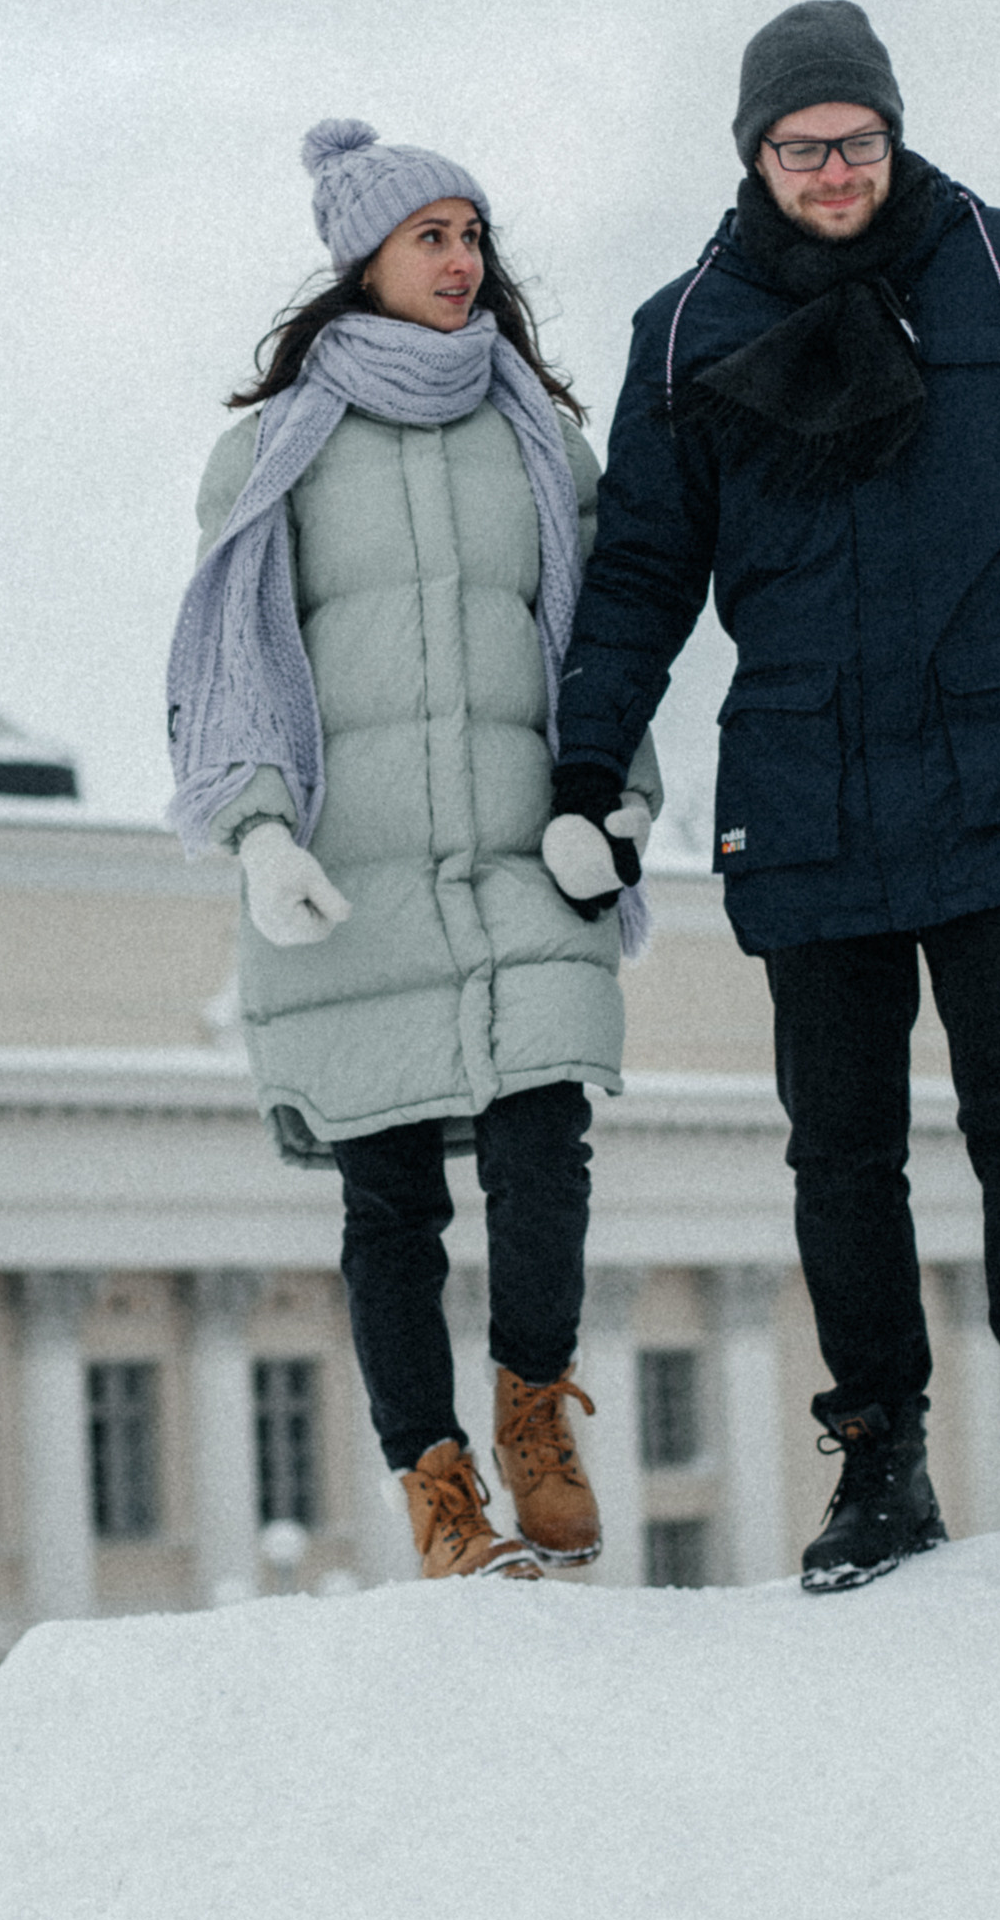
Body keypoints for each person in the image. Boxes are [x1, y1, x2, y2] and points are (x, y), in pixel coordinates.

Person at [551, 0, 1000, 1588]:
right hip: (805, 784)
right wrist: (585, 766)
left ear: (893, 132)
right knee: (839, 1150)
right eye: (800, 147)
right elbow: (640, 570)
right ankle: (876, 1466)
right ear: (753, 155)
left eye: (855, 139)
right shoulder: (682, 331)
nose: (833, 170)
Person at [167, 118, 661, 1580]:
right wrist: (259, 831)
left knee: (545, 1139)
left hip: (524, 855)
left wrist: (619, 802)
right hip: (352, 876)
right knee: (389, 1199)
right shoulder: (272, 450)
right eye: (429, 237)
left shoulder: (541, 439)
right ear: (363, 260)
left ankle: (532, 1414)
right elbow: (231, 656)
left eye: (471, 236)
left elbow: (606, 638)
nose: (460, 261)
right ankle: (437, 1493)